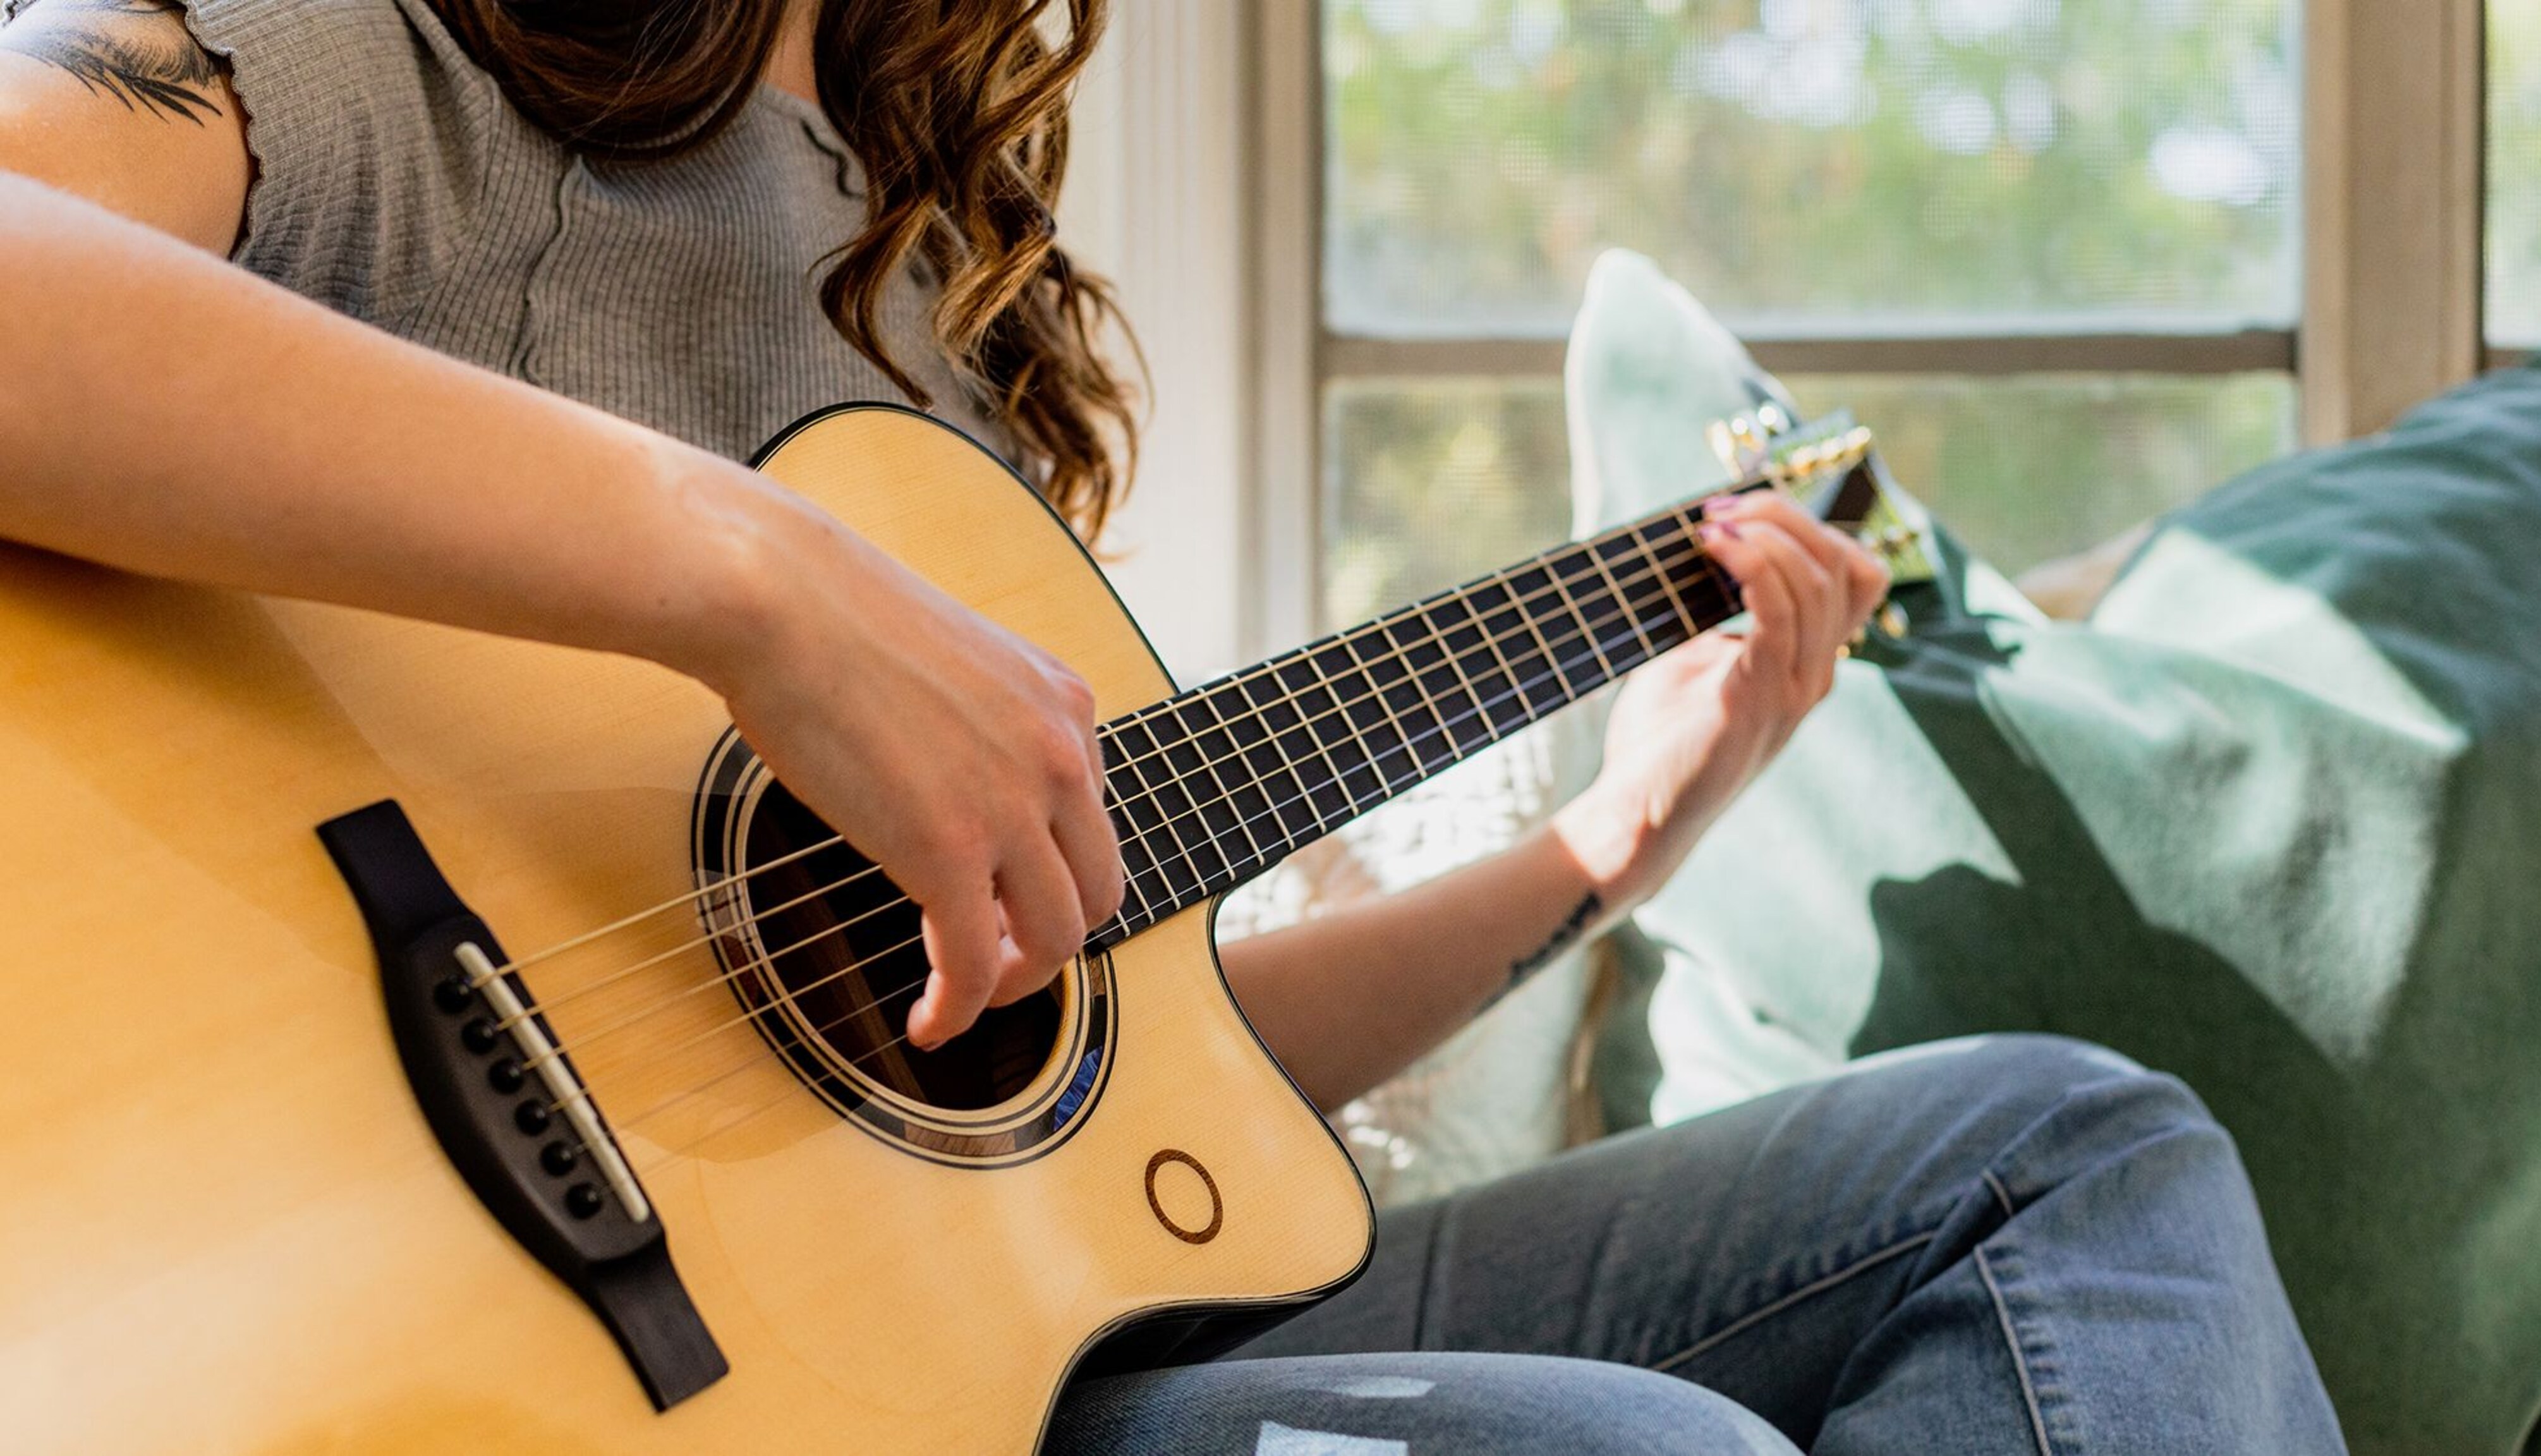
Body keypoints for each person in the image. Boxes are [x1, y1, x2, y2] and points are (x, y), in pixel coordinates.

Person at [0, 1, 2348, 1450]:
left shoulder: (941, 306)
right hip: (590, 1359)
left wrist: (1615, 840)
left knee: (2070, 1158)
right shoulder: (372, 62)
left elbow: (1107, 1109)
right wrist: (750, 577)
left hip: (1034, 1342)